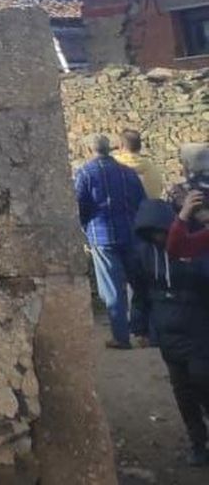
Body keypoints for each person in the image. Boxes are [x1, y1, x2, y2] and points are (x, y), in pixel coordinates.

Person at [132, 198, 209, 467]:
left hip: (198, 329)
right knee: (183, 392)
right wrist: (139, 326)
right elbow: (140, 295)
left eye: (161, 232)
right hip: (168, 336)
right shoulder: (143, 255)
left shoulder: (194, 248)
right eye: (152, 233)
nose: (158, 237)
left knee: (203, 383)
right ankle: (198, 443)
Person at [74, 133, 147, 348]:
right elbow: (141, 202)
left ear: (89, 151)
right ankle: (143, 332)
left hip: (102, 236)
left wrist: (86, 227)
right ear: (110, 149)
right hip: (131, 233)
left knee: (112, 288)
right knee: (140, 283)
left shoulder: (85, 173)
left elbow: (80, 206)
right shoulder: (128, 173)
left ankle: (121, 337)